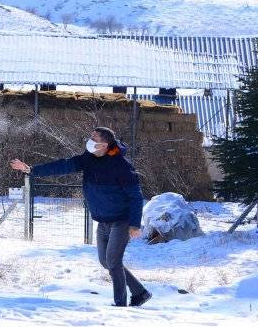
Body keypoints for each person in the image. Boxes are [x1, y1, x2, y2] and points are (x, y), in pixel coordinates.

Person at [11, 126, 152, 307]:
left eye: (94, 138)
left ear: (104, 145)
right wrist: (31, 169)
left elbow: (135, 196)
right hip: (102, 221)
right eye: (90, 137)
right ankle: (140, 292)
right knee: (105, 261)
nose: (90, 141)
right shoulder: (89, 159)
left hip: (121, 221)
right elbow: (64, 165)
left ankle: (120, 305)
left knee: (113, 262)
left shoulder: (122, 166)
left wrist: (134, 224)